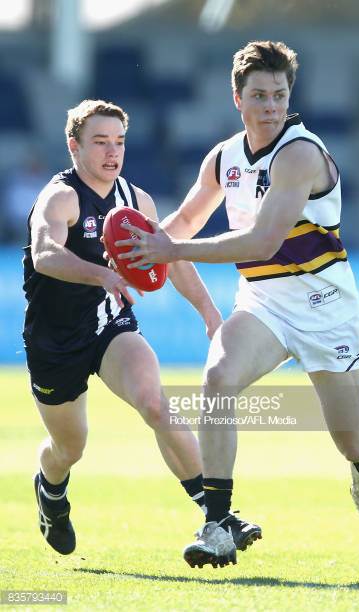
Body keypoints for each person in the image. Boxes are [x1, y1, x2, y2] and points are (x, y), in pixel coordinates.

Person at [116, 41, 359, 569]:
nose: (271, 106)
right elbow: (183, 224)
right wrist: (127, 262)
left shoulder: (301, 153)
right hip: (262, 304)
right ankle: (217, 523)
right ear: (237, 98)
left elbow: (261, 242)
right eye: (259, 95)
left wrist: (169, 250)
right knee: (217, 378)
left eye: (279, 95)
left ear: (290, 96)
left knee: (350, 439)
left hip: (324, 308)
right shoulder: (223, 157)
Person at [23, 99, 256, 558]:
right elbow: (44, 255)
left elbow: (171, 258)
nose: (113, 153)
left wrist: (211, 316)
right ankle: (50, 490)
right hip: (55, 342)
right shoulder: (61, 196)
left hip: (112, 326)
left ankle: (217, 515)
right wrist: (104, 276)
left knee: (155, 402)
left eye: (120, 142)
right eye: (100, 142)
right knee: (69, 447)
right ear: (73, 146)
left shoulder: (136, 201)